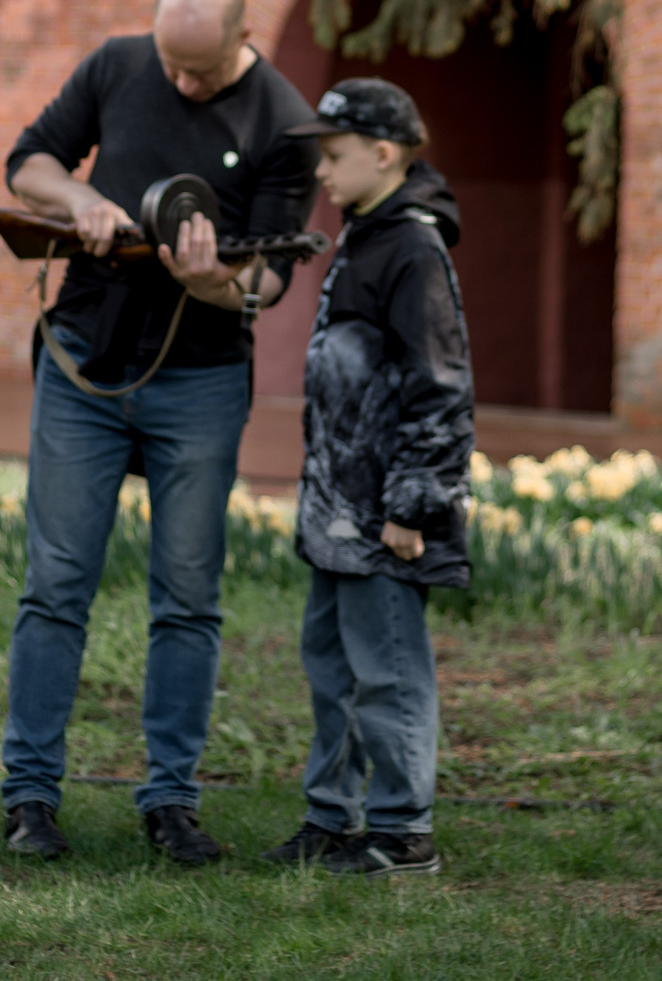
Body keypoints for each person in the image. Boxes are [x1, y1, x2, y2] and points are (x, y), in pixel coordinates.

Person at [0, 0, 317, 864]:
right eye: (170, 66)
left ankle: (171, 799)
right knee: (55, 583)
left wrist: (213, 279)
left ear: (242, 38)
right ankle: (29, 795)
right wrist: (82, 201)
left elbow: (272, 277)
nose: (179, 85)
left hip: (201, 380)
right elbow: (29, 164)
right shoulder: (117, 63)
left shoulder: (284, 121)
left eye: (200, 72)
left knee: (187, 597)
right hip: (84, 363)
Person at [261, 78, 472, 878]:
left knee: (387, 668)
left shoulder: (413, 247)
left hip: (384, 518)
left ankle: (402, 831)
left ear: (384, 154)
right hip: (339, 516)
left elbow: (441, 385)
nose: (321, 170)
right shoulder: (365, 233)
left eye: (334, 154)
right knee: (334, 669)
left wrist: (411, 506)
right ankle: (332, 817)